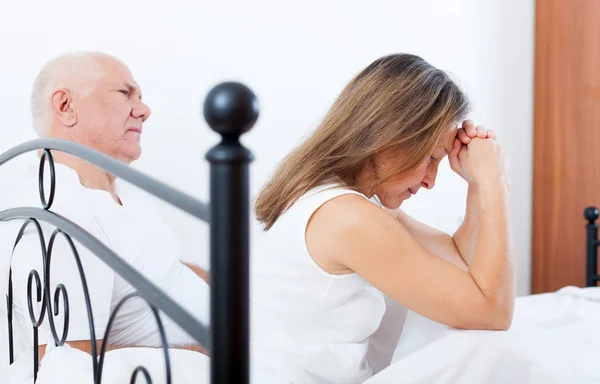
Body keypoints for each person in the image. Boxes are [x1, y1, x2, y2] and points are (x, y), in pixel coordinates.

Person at [251, 53, 514, 383]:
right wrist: (496, 183)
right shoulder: (347, 218)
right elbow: (494, 312)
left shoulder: (338, 199)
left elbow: (459, 260)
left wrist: (477, 185)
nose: (431, 180)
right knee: (493, 351)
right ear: (392, 137)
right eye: (432, 157)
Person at [0, 51, 210, 364]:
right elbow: (68, 363)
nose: (144, 109)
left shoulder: (117, 192)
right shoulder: (58, 214)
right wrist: (215, 352)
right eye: (125, 93)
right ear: (65, 107)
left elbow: (163, 270)